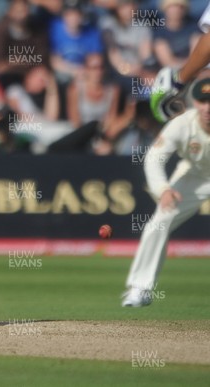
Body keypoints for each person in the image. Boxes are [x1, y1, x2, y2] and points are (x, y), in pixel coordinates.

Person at [122, 77, 210, 307]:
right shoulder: (183, 124)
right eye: (203, 101)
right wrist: (163, 189)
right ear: (195, 103)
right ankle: (140, 288)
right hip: (198, 176)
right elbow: (154, 158)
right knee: (160, 221)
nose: (207, 108)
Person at [151, 2, 210, 122]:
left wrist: (179, 80)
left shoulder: (192, 26)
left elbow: (207, 45)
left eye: (179, 6)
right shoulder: (159, 31)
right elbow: (167, 61)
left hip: (195, 74)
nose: (176, 10)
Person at [0, 0, 50, 87]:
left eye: (24, 10)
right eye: (17, 11)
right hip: (7, 80)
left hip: (31, 76)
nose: (21, 15)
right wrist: (25, 61)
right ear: (9, 12)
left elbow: (41, 60)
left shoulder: (37, 31)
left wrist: (14, 61)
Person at [99, 0, 152, 90]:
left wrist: (139, 71)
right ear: (118, 9)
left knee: (153, 85)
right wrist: (128, 70)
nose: (128, 10)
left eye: (131, 6)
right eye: (124, 7)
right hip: (116, 73)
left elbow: (146, 56)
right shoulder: (108, 24)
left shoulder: (143, 27)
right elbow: (114, 55)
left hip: (139, 72)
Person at [49, 0, 103, 84]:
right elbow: (53, 61)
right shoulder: (55, 28)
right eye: (69, 14)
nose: (73, 18)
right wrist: (73, 71)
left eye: (76, 14)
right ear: (63, 16)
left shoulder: (91, 33)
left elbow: (95, 60)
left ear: (82, 16)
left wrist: (85, 72)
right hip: (62, 74)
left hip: (84, 75)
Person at [153, 0, 200, 69]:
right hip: (173, 72)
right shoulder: (159, 33)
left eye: (180, 7)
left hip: (195, 68)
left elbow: (197, 56)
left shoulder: (194, 27)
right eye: (172, 7)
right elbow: (167, 62)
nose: (176, 10)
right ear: (165, 9)